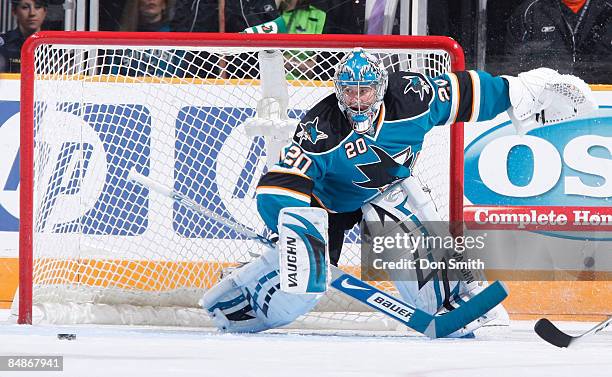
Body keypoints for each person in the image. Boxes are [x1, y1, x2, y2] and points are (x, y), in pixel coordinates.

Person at [200, 48, 594, 334]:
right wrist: (296, 229)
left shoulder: (414, 98)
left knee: (412, 231)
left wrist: (522, 91)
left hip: (384, 191)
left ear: (382, 87)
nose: (356, 101)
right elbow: (278, 185)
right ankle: (241, 296)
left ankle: (451, 299)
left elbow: (472, 94)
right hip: (325, 206)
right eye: (349, 92)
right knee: (303, 288)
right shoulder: (321, 128)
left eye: (365, 91)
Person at [505, 0, 612, 83]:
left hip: (602, 99)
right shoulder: (530, 11)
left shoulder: (608, 11)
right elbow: (512, 68)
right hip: (543, 100)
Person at [0, 0, 48, 73]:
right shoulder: (3, 44)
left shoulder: (55, 46)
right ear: (14, 11)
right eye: (25, 7)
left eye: (37, 7)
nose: (32, 13)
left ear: (45, 11)